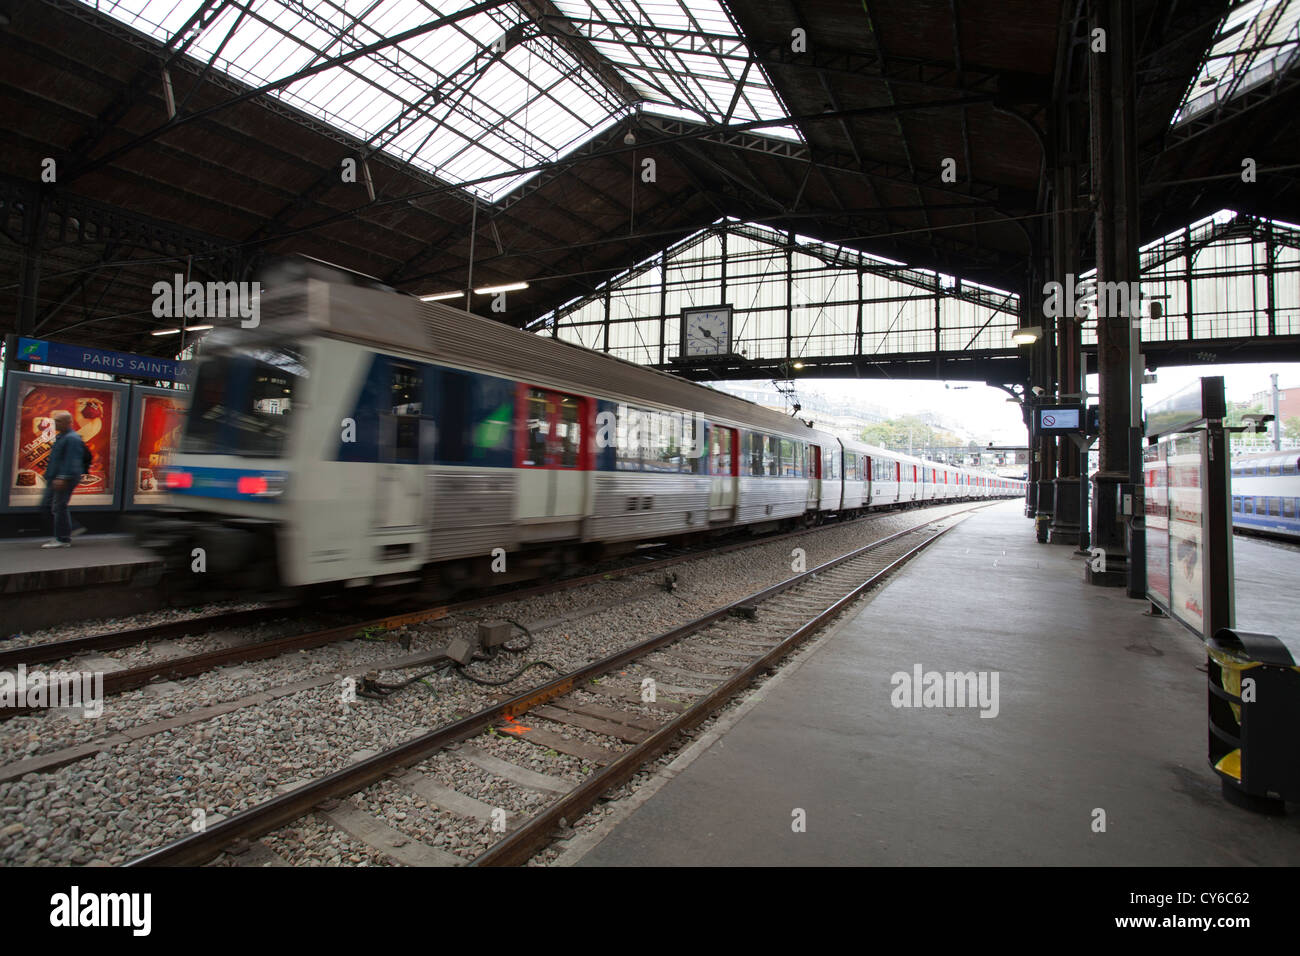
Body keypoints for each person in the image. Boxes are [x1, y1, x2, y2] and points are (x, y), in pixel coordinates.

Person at [40, 410, 86, 549]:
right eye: (55, 420)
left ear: (68, 422)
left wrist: (63, 477)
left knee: (59, 506)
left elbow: (72, 460)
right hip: (55, 477)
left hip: (64, 478)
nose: (55, 423)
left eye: (58, 421)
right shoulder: (63, 437)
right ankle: (71, 529)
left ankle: (63, 538)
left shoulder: (72, 438)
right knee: (48, 506)